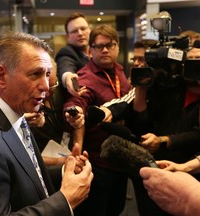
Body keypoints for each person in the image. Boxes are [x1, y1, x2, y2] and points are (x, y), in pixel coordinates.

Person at [0, 32, 94, 216]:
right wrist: (65, 200)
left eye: (47, 74)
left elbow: (26, 175)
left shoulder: (15, 116)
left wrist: (65, 172)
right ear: (1, 76)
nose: (46, 86)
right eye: (35, 74)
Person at [139, 40, 200, 216]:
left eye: (199, 60)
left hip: (198, 182)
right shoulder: (173, 86)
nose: (192, 65)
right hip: (168, 167)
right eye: (190, 60)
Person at [64, 24, 131, 216]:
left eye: (109, 45)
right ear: (89, 50)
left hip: (120, 158)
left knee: (116, 209)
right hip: (98, 163)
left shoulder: (119, 70)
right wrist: (74, 111)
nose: (104, 50)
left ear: (117, 46)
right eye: (98, 46)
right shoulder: (87, 76)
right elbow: (77, 99)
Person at [55, 12, 90, 97]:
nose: (80, 33)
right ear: (68, 36)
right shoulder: (66, 52)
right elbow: (65, 67)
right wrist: (68, 77)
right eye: (74, 31)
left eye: (83, 28)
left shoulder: (95, 51)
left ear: (89, 30)